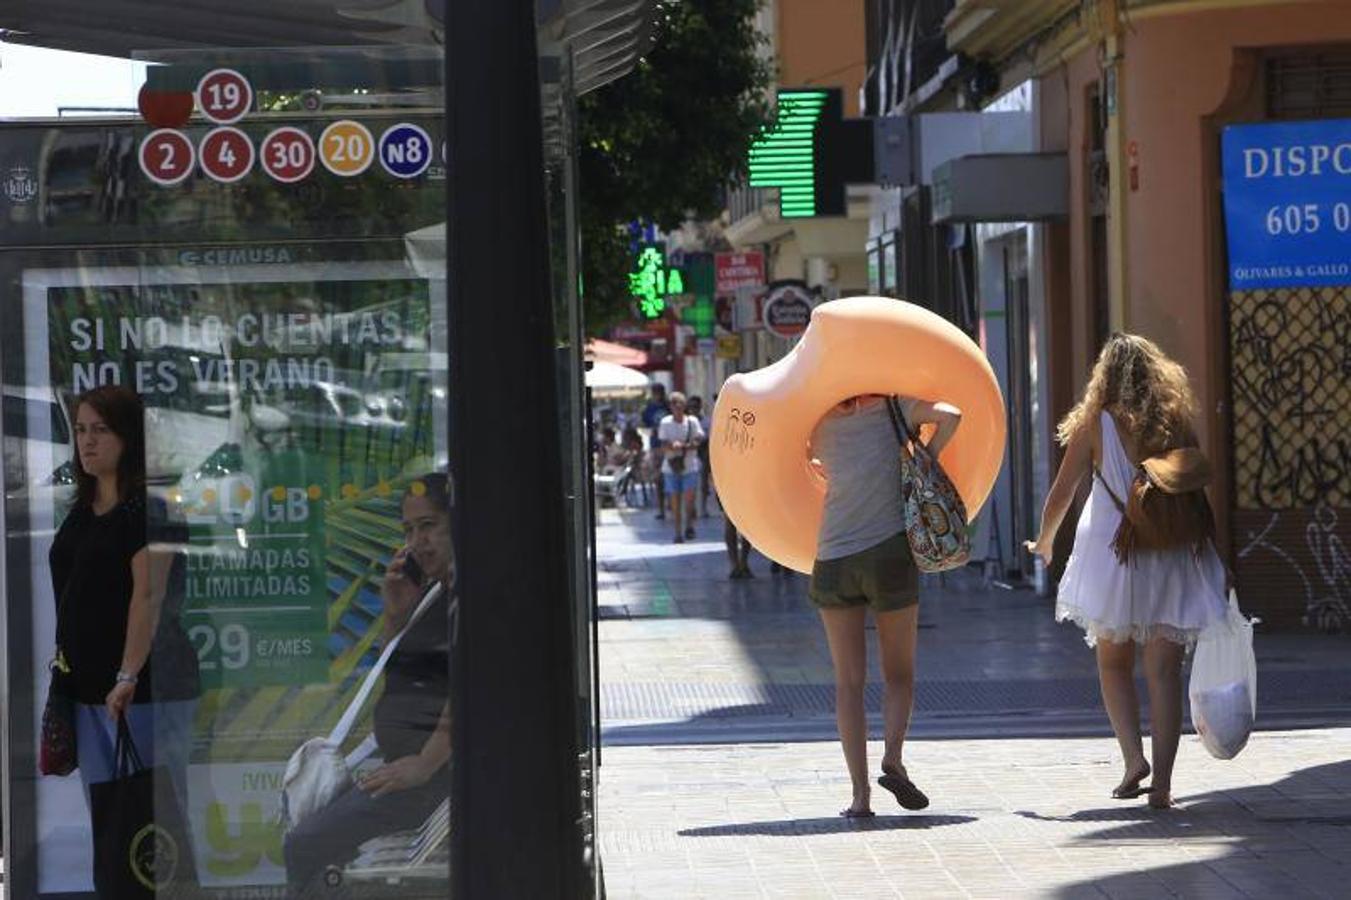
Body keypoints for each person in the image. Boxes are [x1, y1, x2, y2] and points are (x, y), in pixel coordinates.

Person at [1025, 334, 1227, 810]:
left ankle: (1134, 759)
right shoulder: (1175, 421)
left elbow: (1061, 493)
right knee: (1164, 672)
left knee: (1113, 663)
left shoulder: (1097, 423)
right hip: (1173, 552)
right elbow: (1195, 493)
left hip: (1115, 555)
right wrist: (1215, 556)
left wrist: (1046, 540)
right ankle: (1162, 786)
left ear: (1105, 375)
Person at [47, 385, 201, 894]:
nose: (87, 442)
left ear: (129, 438)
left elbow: (148, 597)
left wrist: (127, 675)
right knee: (113, 823)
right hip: (87, 692)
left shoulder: (150, 510)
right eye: (81, 430)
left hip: (140, 690)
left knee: (155, 824)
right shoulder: (82, 508)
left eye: (101, 430)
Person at [284, 474, 455, 893]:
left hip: (429, 782)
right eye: (409, 530)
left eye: (429, 525)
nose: (418, 541)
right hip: (405, 771)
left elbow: (469, 691)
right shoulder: (435, 593)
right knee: (313, 838)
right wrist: (396, 616)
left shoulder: (465, 599)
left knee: (304, 844)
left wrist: (424, 763)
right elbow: (401, 678)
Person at [809, 393, 961, 817]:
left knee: (848, 683)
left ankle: (860, 796)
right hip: (890, 554)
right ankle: (893, 756)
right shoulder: (897, 408)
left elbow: (802, 464)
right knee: (899, 674)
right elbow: (952, 414)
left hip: (834, 557)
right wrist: (924, 456)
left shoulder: (818, 420)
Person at [657, 392, 705, 543]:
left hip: (690, 466)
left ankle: (689, 525)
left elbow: (699, 440)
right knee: (675, 502)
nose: (677, 407)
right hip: (671, 468)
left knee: (689, 502)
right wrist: (672, 446)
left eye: (679, 404)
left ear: (684, 406)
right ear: (670, 407)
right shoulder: (665, 423)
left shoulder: (692, 422)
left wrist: (683, 446)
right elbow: (663, 445)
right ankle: (678, 533)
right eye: (673, 404)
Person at [641, 384, 670, 519]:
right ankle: (661, 509)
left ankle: (670, 504)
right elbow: (645, 425)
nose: (657, 394)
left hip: (668, 446)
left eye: (658, 392)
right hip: (656, 446)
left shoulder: (669, 406)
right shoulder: (649, 408)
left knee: (669, 477)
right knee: (658, 479)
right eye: (655, 392)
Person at [687, 395, 712, 517]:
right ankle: (692, 508)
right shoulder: (686, 422)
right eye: (691, 407)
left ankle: (703, 507)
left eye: (695, 407)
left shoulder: (707, 421)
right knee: (691, 483)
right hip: (689, 453)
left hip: (703, 453)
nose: (693, 410)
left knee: (703, 482)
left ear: (700, 407)